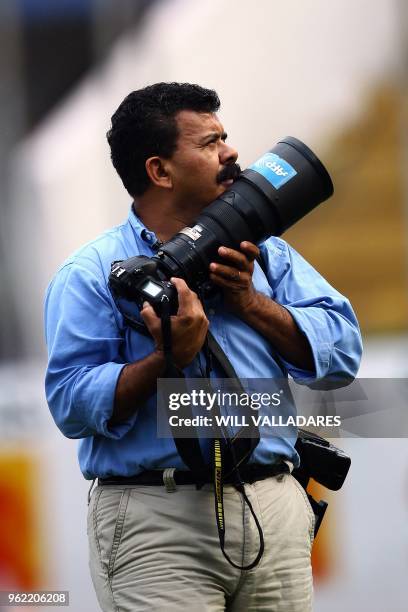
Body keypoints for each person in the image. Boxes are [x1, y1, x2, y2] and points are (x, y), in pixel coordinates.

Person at [44, 82, 362, 611]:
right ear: (159, 171)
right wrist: (166, 359)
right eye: (210, 142)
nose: (231, 153)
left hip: (273, 504)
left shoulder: (266, 254)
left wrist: (250, 303)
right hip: (157, 520)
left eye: (226, 137)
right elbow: (71, 403)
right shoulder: (92, 273)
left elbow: (343, 353)